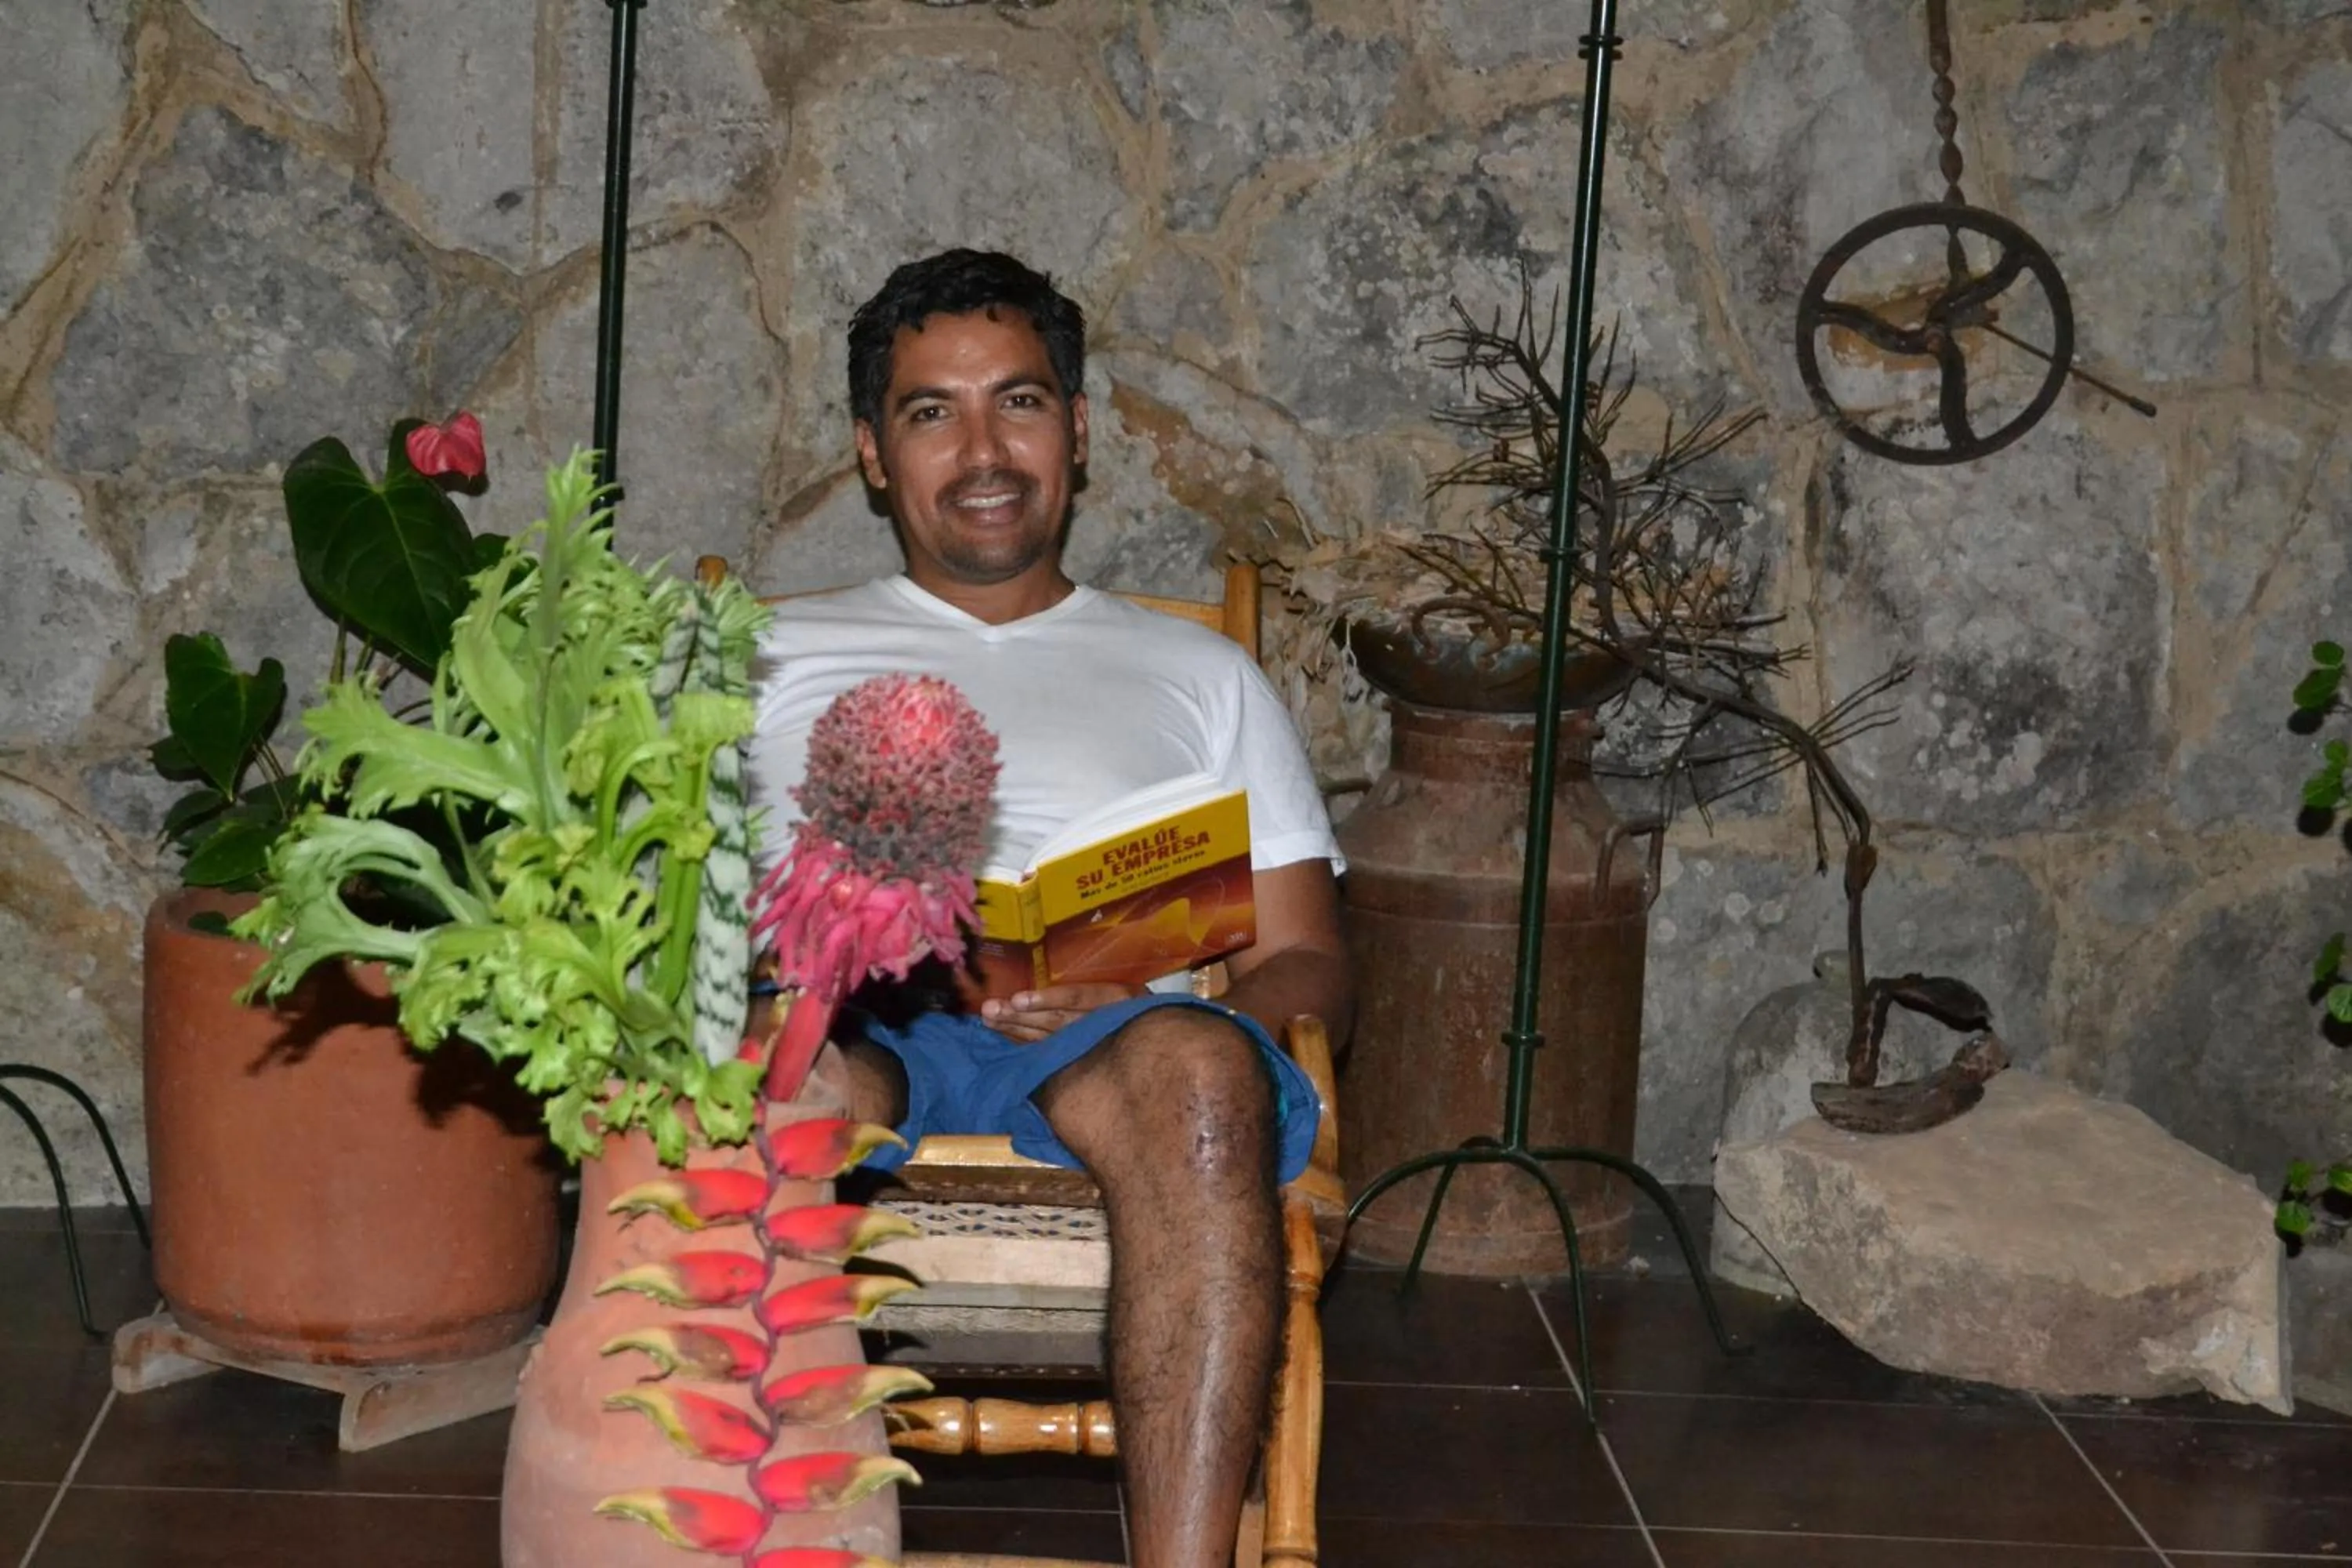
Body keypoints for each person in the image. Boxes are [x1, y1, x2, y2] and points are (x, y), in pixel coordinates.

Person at [746, 249, 1353, 1568]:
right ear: (872, 453)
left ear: (1077, 431)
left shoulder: (1202, 674)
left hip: (1104, 1042)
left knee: (1200, 1072)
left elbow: (1309, 958)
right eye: (932, 412)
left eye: (1018, 403)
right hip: (845, 1021)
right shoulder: (763, 656)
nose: (983, 452)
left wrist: (1152, 1000)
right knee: (762, 1075)